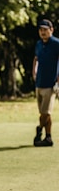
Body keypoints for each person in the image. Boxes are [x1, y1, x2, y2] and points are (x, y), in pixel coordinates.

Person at [32, 19, 59, 147]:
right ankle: (48, 138)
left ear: (51, 30)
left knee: (46, 112)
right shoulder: (38, 44)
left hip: (51, 83)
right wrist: (33, 72)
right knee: (44, 113)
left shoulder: (56, 43)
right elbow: (36, 58)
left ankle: (39, 130)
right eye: (41, 30)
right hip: (39, 83)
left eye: (45, 29)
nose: (43, 32)